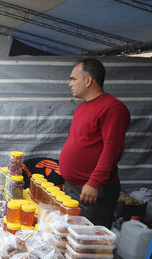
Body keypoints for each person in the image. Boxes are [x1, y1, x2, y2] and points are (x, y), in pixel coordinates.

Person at [59, 58, 130, 229]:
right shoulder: (81, 108)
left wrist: (94, 183)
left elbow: (112, 149)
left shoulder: (112, 108)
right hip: (72, 187)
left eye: (73, 79)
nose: (70, 84)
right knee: (71, 238)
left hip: (91, 191)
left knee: (90, 243)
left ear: (89, 80)